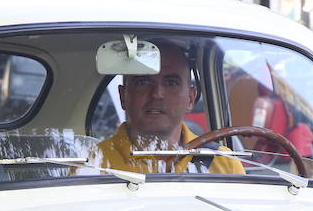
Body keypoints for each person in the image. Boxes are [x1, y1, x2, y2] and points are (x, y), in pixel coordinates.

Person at [97, 41, 243, 175]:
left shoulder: (224, 164)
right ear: (123, 96)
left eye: (171, 83)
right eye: (143, 82)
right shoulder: (92, 163)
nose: (157, 94)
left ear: (191, 98)